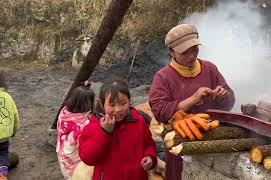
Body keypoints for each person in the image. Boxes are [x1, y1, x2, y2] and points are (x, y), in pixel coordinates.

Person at [149, 24, 235, 180]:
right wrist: (193, 100)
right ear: (171, 52)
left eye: (194, 49)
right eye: (184, 52)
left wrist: (224, 96)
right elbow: (159, 111)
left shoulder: (210, 69)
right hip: (180, 146)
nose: (191, 56)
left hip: (213, 142)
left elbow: (229, 101)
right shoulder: (163, 77)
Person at [78, 76, 157, 180]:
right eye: (112, 105)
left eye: (123, 103)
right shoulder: (93, 126)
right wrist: (104, 132)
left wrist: (150, 156)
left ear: (129, 100)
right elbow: (88, 158)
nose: (118, 109)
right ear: (101, 104)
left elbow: (149, 144)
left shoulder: (139, 122)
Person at [56, 81, 95, 180]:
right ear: (89, 103)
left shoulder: (64, 112)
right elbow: (87, 151)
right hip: (75, 166)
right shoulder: (83, 124)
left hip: (63, 159)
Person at [0, 72, 20, 180]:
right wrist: (14, 130)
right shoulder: (7, 97)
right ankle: (2, 175)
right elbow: (15, 114)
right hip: (3, 136)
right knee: (3, 154)